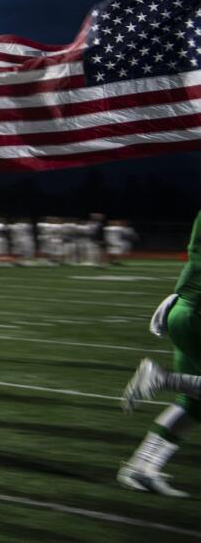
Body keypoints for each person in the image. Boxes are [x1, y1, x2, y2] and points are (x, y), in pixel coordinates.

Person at [117, 209, 201, 497]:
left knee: (193, 405)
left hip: (186, 310)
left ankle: (141, 469)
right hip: (196, 315)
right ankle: (162, 377)